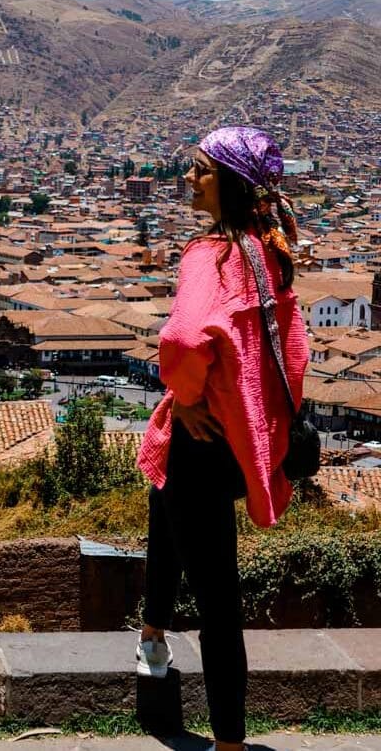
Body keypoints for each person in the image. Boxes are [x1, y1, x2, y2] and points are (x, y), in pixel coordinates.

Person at [134, 127, 310, 751]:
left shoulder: (208, 255)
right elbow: (294, 346)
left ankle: (229, 742)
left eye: (201, 169)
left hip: (203, 436)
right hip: (246, 438)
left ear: (230, 184)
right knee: (162, 499)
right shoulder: (269, 251)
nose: (189, 177)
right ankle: (153, 635)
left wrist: (184, 397)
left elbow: (183, 338)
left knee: (217, 596)